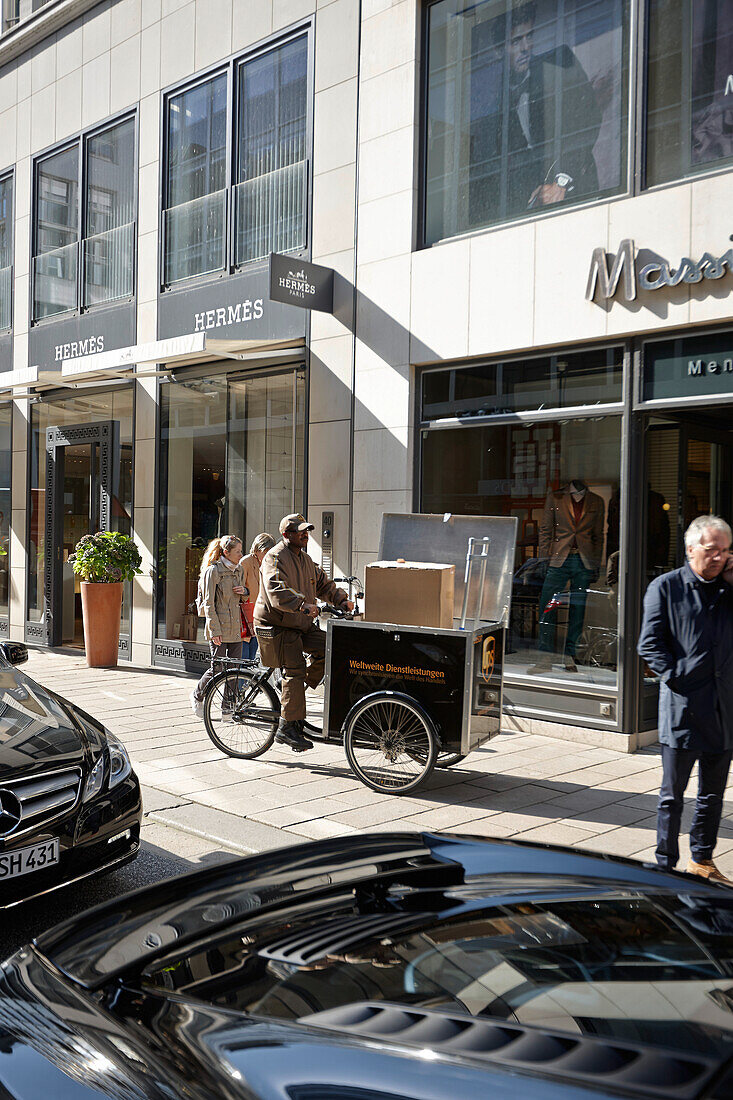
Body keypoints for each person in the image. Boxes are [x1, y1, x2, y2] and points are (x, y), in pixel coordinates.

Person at [637, 515, 733, 884]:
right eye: (712, 550)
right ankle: (665, 865)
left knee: (712, 795)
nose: (718, 558)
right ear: (691, 548)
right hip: (683, 709)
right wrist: (677, 677)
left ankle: (702, 860)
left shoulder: (728, 588)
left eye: (725, 551)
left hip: (723, 710)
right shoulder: (666, 587)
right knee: (671, 797)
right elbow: (649, 644)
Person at [254, 513, 353, 752]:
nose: (305, 534)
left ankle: (292, 692)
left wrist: (342, 600)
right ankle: (286, 728)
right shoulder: (274, 557)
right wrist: (302, 605)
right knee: (295, 669)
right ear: (287, 535)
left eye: (307, 531)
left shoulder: (306, 559)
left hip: (300, 623)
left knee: (332, 647)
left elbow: (323, 585)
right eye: (300, 531)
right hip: (278, 625)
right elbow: (276, 590)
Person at [501, 2, 602, 216]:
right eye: (516, 41)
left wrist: (561, 180)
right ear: (498, 51)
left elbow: (590, 118)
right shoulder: (495, 100)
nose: (526, 47)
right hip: (531, 208)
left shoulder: (560, 65)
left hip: (576, 192)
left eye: (530, 36)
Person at [190, 534, 246, 719]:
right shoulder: (212, 571)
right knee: (218, 668)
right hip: (219, 627)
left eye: (241, 551)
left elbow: (244, 598)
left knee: (234, 669)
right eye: (237, 551)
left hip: (235, 626)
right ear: (226, 552)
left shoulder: (240, 570)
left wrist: (245, 592)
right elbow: (208, 604)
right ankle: (198, 695)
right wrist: (214, 630)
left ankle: (228, 708)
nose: (241, 554)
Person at [239, 533, 276, 660]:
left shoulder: (270, 564)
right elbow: (239, 589)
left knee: (252, 656)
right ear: (257, 549)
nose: (267, 554)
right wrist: (245, 593)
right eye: (265, 551)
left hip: (260, 617)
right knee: (243, 658)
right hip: (245, 617)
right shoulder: (246, 562)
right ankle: (240, 680)